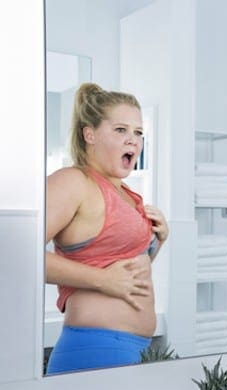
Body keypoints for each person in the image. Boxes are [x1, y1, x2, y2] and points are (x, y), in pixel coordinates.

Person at [45, 83, 169, 374]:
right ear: (90, 134)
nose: (133, 140)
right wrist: (103, 281)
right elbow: (20, 255)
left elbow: (121, 270)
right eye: (121, 130)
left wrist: (158, 241)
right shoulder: (73, 181)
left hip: (135, 348)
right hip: (94, 349)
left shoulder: (128, 193)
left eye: (138, 132)